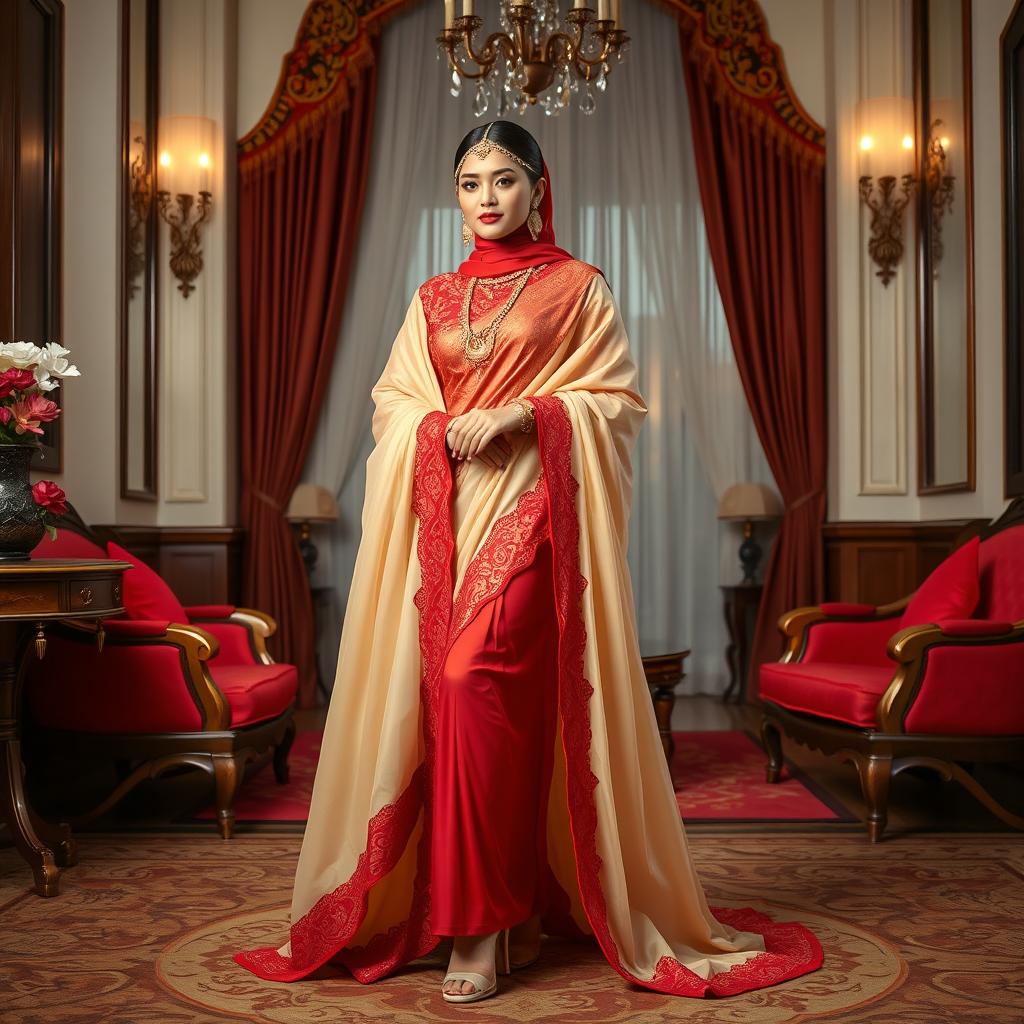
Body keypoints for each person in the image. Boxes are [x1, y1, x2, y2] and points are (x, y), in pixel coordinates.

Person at [234, 120, 822, 1003]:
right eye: (470, 182)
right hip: (444, 527)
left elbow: (616, 402)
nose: (486, 198)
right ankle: (493, 910)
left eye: (503, 180)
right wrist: (434, 428)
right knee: (446, 705)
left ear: (539, 187)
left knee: (472, 685)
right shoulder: (431, 300)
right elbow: (393, 405)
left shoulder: (578, 289)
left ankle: (478, 928)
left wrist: (523, 416)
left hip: (538, 515)